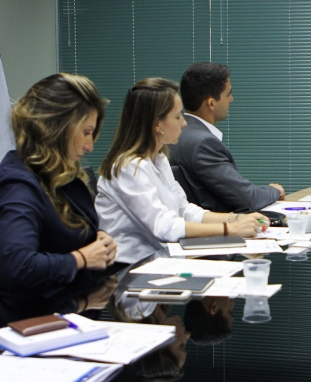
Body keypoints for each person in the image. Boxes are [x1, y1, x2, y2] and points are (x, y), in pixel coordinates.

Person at [0, 73, 119, 326]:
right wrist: (81, 258)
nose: (90, 145)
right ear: (59, 128)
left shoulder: (58, 176)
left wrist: (99, 241)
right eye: (87, 132)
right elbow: (17, 266)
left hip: (71, 312)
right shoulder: (16, 184)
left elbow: (62, 238)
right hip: (36, 328)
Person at [95, 78, 267, 264]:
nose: (184, 123)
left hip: (161, 260)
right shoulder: (128, 167)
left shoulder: (159, 160)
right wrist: (230, 229)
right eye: (177, 116)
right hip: (130, 271)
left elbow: (185, 210)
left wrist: (237, 218)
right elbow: (165, 226)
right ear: (157, 124)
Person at [169, 62, 285, 213]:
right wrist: (274, 190)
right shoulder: (203, 143)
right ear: (211, 103)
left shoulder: (178, 134)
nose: (231, 99)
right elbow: (248, 197)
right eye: (228, 94)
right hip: (218, 228)